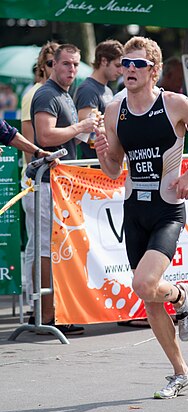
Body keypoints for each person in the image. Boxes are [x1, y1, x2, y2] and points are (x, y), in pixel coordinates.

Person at [94, 36, 188, 399]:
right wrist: (104, 152)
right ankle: (181, 372)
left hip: (167, 209)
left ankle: (182, 296)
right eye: (125, 64)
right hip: (134, 209)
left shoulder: (174, 104)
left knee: (144, 284)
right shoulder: (113, 110)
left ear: (153, 70)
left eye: (138, 64)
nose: (129, 70)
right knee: (150, 298)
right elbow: (112, 169)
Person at [25, 44, 96, 335]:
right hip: (44, 183)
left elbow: (63, 143)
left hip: (57, 183)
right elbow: (45, 136)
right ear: (53, 64)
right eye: (66, 64)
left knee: (51, 249)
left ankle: (47, 312)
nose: (71, 70)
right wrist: (80, 128)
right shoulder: (47, 93)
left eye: (76, 65)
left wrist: (88, 134)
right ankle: (46, 314)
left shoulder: (64, 94)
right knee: (45, 249)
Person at [21, 41, 59, 315]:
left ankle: (43, 305)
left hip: (53, 179)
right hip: (38, 180)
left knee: (44, 244)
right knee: (38, 244)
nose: (55, 68)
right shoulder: (35, 93)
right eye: (50, 63)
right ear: (43, 66)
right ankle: (37, 306)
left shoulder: (58, 93)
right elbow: (24, 138)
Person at [74, 39, 123, 159]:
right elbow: (88, 132)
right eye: (117, 65)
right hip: (93, 163)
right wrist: (122, 129)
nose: (121, 71)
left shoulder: (107, 90)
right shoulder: (88, 89)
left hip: (106, 161)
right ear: (103, 61)